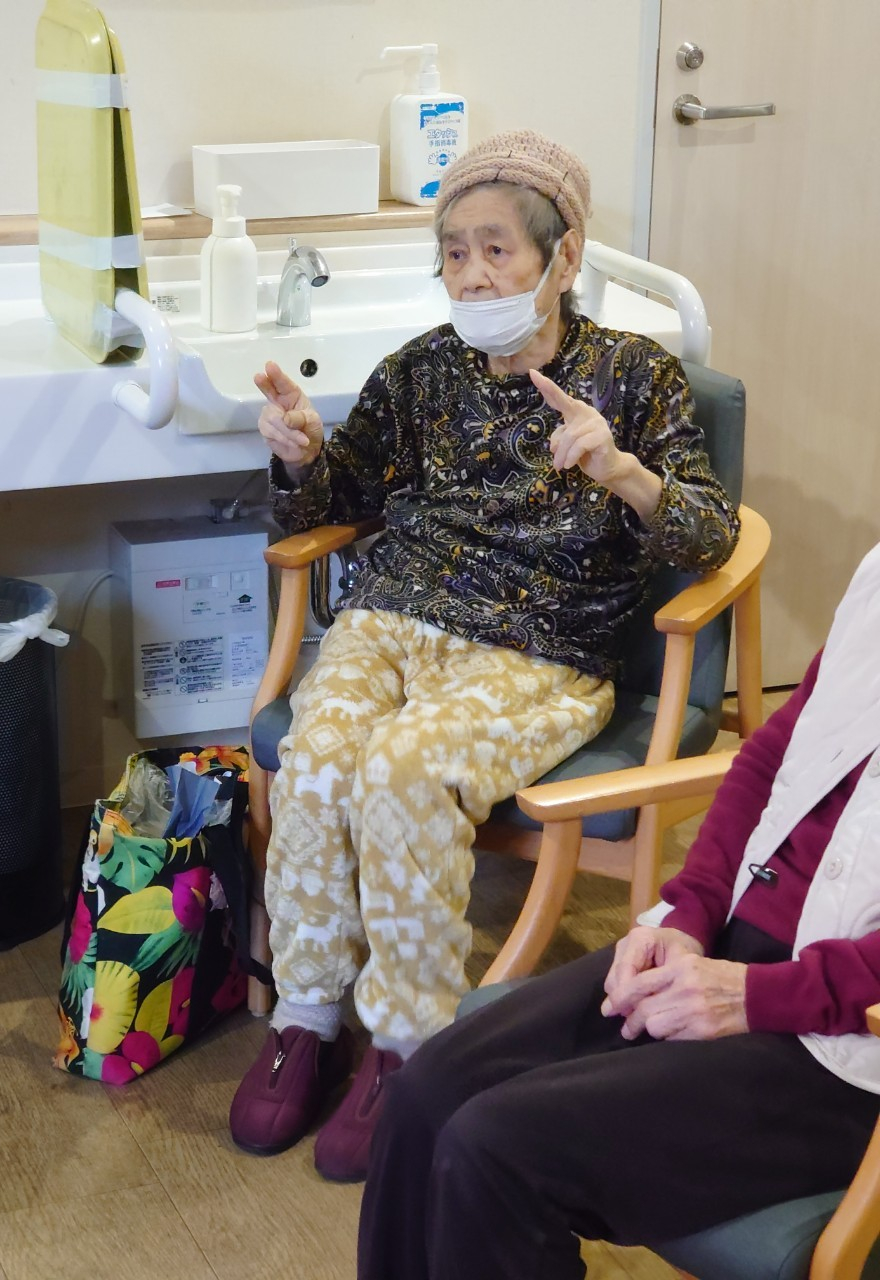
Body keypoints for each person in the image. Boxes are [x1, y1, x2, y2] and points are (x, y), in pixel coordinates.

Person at [228, 129, 740, 1183]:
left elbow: (710, 535)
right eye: (454, 253)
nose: (472, 274)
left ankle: (408, 1044)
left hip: (539, 646)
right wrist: (303, 457)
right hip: (393, 619)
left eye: (497, 250)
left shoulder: (635, 375)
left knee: (404, 770)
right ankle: (309, 1016)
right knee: (317, 758)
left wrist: (623, 470)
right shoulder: (421, 369)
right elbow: (335, 502)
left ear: (564, 255)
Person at [357, 538, 880, 1280]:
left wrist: (756, 997)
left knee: (497, 1151)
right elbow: (769, 758)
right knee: (424, 1093)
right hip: (731, 944)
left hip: (845, 1048)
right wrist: (691, 916)